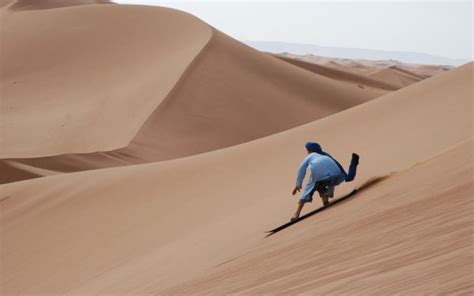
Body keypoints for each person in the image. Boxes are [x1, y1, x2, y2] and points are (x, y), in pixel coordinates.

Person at [291, 142, 359, 221]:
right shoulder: (326, 156)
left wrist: (298, 184)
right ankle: (325, 202)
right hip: (335, 173)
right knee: (322, 183)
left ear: (310, 151)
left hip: (318, 170)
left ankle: (296, 214)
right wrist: (330, 193)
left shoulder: (309, 156)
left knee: (309, 188)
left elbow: (301, 170)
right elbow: (333, 169)